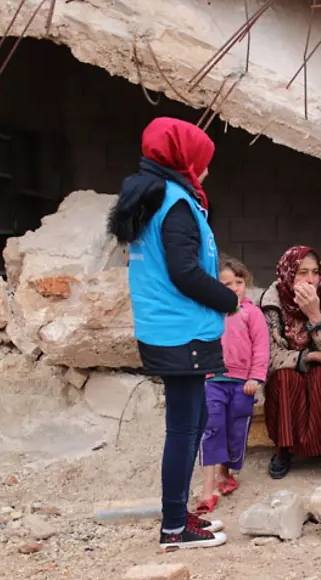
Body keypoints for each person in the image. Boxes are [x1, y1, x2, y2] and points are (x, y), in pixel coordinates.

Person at [108, 117, 235, 550]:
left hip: (165, 326)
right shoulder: (174, 202)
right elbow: (184, 271)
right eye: (203, 162)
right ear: (184, 158)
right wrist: (229, 299)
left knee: (193, 420)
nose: (206, 170)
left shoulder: (151, 196)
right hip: (181, 329)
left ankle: (179, 520)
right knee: (184, 427)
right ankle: (175, 527)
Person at [260, 246, 321, 479]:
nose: (310, 280)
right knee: (285, 378)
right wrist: (310, 356)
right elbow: (269, 357)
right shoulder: (272, 301)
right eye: (302, 272)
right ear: (289, 273)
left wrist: (315, 316)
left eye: (315, 272)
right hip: (289, 369)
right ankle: (284, 450)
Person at [196, 255, 269, 513]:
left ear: (245, 283)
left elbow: (261, 348)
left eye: (238, 282)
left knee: (235, 430)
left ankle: (227, 474)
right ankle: (207, 489)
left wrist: (255, 378)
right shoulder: (208, 312)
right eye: (226, 284)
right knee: (212, 428)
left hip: (242, 385)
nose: (234, 288)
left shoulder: (252, 313)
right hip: (212, 381)